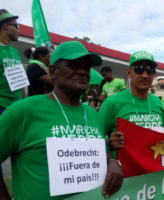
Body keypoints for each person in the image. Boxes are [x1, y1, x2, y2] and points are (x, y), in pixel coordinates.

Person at [0, 41, 123, 200]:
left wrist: (113, 162)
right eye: (73, 65)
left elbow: (101, 152)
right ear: (53, 71)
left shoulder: (92, 113)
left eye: (86, 67)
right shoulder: (22, 111)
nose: (82, 71)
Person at [98, 51, 164, 152]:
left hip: (154, 169)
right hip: (125, 170)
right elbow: (94, 142)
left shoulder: (156, 102)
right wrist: (109, 144)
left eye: (150, 70)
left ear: (154, 74)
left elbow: (162, 132)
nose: (145, 75)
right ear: (128, 73)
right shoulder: (111, 103)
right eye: (139, 69)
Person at [0, 9, 24, 197]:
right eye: (16, 26)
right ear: (6, 26)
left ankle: (22, 191)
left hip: (17, 109)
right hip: (1, 108)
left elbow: (21, 82)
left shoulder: (15, 53)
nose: (19, 30)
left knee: (22, 153)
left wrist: (23, 105)